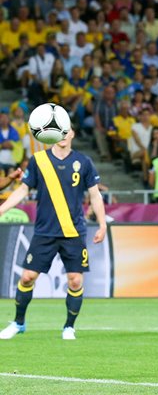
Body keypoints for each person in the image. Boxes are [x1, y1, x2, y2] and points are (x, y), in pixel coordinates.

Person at [0, 129, 107, 340]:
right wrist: (2, 208)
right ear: (54, 135)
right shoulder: (39, 160)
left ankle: (69, 327)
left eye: (67, 132)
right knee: (28, 277)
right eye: (60, 132)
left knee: (75, 281)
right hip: (45, 231)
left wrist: (102, 224)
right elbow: (23, 190)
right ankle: (18, 322)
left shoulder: (83, 162)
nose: (64, 135)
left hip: (73, 231)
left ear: (73, 134)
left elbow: (95, 195)